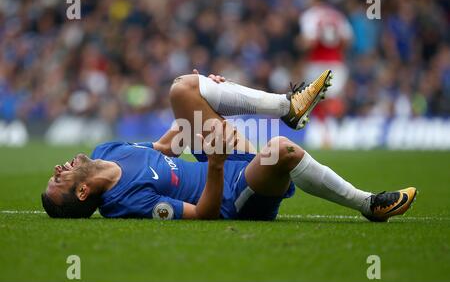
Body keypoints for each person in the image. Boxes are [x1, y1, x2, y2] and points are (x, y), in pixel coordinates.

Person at [41, 70, 417, 221]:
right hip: (228, 195)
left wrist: (209, 102)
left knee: (184, 88)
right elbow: (204, 215)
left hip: (220, 160)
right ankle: (368, 204)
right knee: (283, 150)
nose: (58, 170)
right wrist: (217, 164)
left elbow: (166, 146)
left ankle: (288, 106)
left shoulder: (107, 150)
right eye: (58, 181)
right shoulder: (125, 203)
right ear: (83, 190)